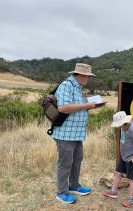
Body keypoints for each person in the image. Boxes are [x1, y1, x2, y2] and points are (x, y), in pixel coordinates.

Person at [52, 63, 98, 204]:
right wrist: (87, 105)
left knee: (76, 160)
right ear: (82, 75)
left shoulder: (77, 87)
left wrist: (89, 106)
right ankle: (62, 192)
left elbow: (76, 107)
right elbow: (63, 108)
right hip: (65, 134)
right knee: (65, 163)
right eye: (88, 76)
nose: (88, 79)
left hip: (76, 133)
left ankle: (73, 186)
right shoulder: (67, 85)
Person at [101, 111, 133, 208]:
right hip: (124, 157)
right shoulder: (124, 127)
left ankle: (132, 199)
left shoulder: (132, 128)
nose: (117, 126)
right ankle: (113, 191)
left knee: (131, 179)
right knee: (118, 173)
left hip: (131, 158)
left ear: (123, 122)